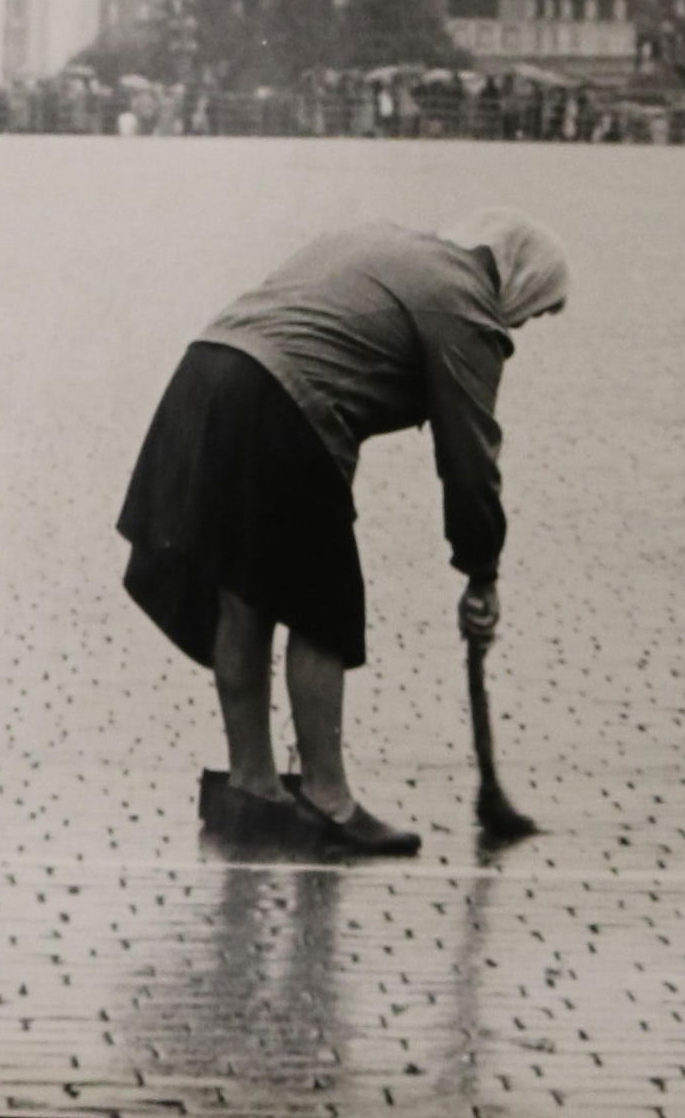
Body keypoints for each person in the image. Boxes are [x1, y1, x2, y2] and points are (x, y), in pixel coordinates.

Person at [117, 205, 571, 860]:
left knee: (245, 595)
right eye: (539, 307)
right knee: (321, 609)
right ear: (521, 278)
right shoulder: (465, 302)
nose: (528, 323)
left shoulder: (384, 242)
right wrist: (482, 573)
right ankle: (328, 800)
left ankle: (252, 789)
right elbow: (470, 464)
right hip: (281, 404)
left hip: (206, 378)